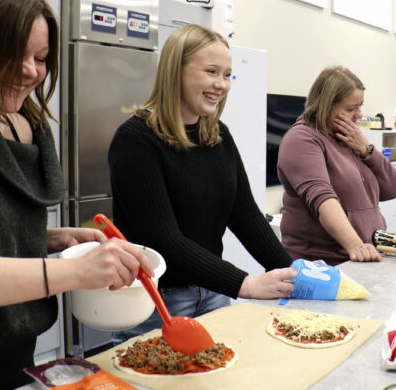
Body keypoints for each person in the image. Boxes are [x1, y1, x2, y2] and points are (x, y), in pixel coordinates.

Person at [0, 0, 153, 389]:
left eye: (42, 56)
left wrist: (46, 237)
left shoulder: (25, 119)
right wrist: (72, 273)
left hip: (14, 356)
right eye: (12, 54)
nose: (30, 71)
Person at [108, 24, 295, 342]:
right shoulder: (136, 140)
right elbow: (164, 240)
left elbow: (245, 215)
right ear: (175, 71)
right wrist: (245, 284)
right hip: (158, 303)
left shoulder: (218, 135)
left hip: (214, 295)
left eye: (227, 75)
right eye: (211, 72)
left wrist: (296, 273)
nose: (221, 85)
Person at [276, 66, 396, 266]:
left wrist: (367, 150)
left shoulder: (350, 139)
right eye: (350, 109)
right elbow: (323, 199)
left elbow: (392, 189)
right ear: (325, 106)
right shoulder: (301, 139)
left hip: (359, 258)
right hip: (321, 264)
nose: (358, 114)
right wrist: (355, 245)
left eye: (360, 106)